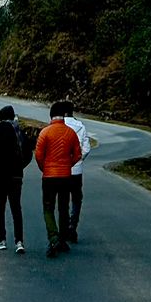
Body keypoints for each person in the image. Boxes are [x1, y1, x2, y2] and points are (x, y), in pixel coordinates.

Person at [34, 102, 81, 257]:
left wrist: (44, 168)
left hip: (49, 176)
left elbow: (39, 155)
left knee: (48, 208)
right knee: (63, 208)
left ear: (51, 116)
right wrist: (68, 164)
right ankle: (62, 239)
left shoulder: (45, 133)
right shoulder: (71, 133)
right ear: (64, 116)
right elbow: (78, 154)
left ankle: (53, 237)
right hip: (65, 176)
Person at [0, 104, 29, 253]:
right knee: (16, 208)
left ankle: (1, 240)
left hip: (0, 175)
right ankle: (19, 241)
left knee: (0, 206)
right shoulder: (19, 132)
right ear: (13, 116)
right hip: (16, 174)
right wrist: (20, 166)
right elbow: (28, 153)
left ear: (0, 118)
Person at [61, 101, 90, 242]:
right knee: (77, 199)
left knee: (63, 199)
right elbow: (86, 148)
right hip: (76, 169)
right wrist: (78, 159)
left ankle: (64, 226)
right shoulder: (81, 127)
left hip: (62, 168)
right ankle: (73, 226)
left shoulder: (60, 126)